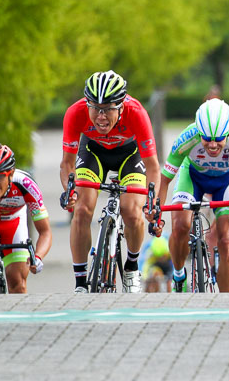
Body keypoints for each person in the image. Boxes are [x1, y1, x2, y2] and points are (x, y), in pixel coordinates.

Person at [59, 70, 160, 293]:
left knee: (132, 211)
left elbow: (153, 166)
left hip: (128, 156)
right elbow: (67, 164)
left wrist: (153, 203)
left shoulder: (137, 113)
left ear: (122, 106)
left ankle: (132, 266)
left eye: (108, 109)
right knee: (82, 209)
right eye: (95, 108)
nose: (100, 117)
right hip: (93, 153)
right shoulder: (75, 113)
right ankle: (80, 282)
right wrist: (69, 191)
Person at [155, 98, 229, 292]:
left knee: (227, 239)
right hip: (193, 177)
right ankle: (178, 275)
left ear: (228, 133)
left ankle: (227, 302)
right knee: (180, 226)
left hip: (225, 181)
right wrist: (156, 211)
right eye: (206, 138)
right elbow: (165, 179)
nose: (212, 144)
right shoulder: (187, 138)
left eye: (219, 139)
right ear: (199, 132)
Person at [0, 144, 52, 293]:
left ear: (11, 174)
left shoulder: (25, 184)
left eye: (0, 176)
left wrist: (37, 257)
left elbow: (45, 232)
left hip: (13, 222)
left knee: (18, 283)